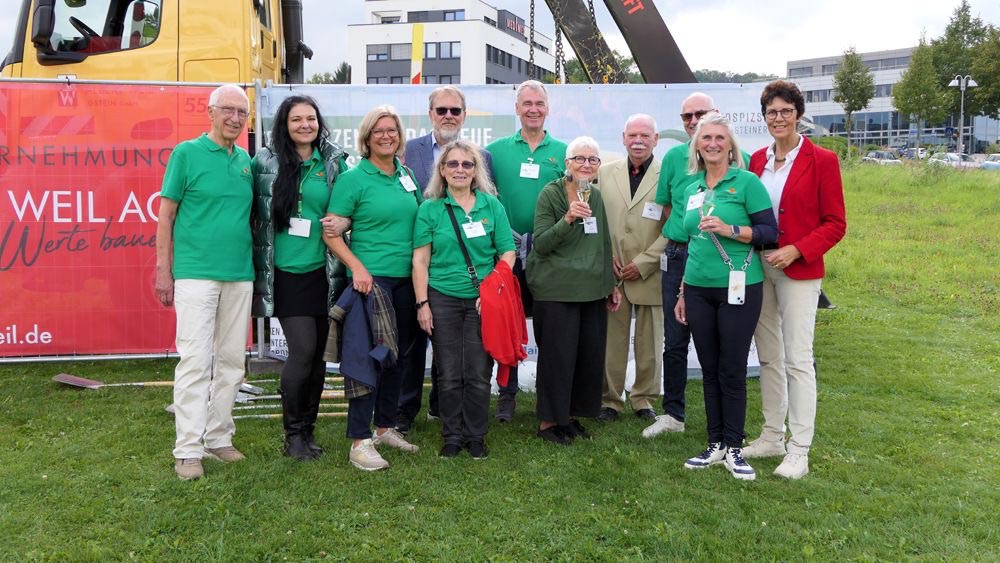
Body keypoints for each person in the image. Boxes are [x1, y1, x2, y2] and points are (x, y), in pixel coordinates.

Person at [742, 80, 847, 480]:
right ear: (764, 116)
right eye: (772, 111)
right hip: (759, 269)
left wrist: (797, 249)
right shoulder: (755, 161)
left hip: (799, 271)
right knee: (768, 355)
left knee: (798, 359)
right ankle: (772, 436)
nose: (779, 118)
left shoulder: (822, 161)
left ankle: (800, 448)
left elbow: (836, 224)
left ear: (798, 114)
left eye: (786, 111)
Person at [155, 84, 254, 481]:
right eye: (228, 110)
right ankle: (188, 449)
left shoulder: (246, 161)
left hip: (239, 274)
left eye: (241, 113)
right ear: (211, 112)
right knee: (195, 362)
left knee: (232, 362)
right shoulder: (186, 153)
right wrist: (165, 270)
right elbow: (166, 216)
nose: (235, 118)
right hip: (195, 274)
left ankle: (218, 437)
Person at [673, 113, 777, 481]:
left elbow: (770, 233)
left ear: (730, 145)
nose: (712, 144)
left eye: (719, 138)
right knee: (709, 368)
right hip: (698, 288)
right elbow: (691, 243)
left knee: (732, 369)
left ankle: (735, 446)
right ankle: (714, 443)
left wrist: (731, 229)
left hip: (739, 286)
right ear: (697, 147)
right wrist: (684, 290)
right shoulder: (691, 188)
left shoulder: (746, 182)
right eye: (706, 139)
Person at [322, 105, 421, 471]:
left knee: (397, 358)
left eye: (391, 130)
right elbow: (331, 233)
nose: (386, 136)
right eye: (378, 130)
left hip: (406, 281)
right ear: (366, 137)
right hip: (370, 282)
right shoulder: (353, 178)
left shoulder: (406, 175)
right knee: (367, 362)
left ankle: (384, 427)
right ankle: (359, 441)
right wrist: (358, 268)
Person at [251, 95, 348, 461]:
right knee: (303, 351)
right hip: (286, 273)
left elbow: (347, 208)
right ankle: (292, 434)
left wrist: (346, 221)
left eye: (311, 118)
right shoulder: (266, 161)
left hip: (325, 273)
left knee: (320, 357)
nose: (305, 125)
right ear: (284, 124)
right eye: (296, 120)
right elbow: (252, 213)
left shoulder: (335, 162)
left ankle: (308, 430)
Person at [397, 86, 494, 433]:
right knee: (416, 346)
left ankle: (445, 411)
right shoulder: (408, 152)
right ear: (431, 114)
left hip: (465, 274)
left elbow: (488, 209)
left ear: (464, 115)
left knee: (456, 355)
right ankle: (405, 413)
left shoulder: (479, 156)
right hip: (421, 262)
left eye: (455, 110)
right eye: (442, 110)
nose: (449, 116)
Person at [412, 139, 516, 458]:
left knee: (477, 372)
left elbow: (508, 252)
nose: (460, 170)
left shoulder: (491, 206)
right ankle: (452, 435)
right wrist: (422, 304)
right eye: (453, 164)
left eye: (466, 165)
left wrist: (493, 289)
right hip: (441, 298)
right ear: (442, 170)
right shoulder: (430, 208)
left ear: (476, 171)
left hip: (480, 302)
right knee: (448, 372)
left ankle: (475, 435)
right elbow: (420, 261)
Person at [527, 136, 620, 445]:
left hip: (592, 289)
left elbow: (603, 243)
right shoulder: (550, 194)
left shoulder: (595, 195)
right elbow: (541, 243)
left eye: (593, 160)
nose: (586, 165)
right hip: (556, 290)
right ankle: (548, 422)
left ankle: (571, 417)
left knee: (586, 357)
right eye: (579, 159)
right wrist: (568, 218)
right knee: (558, 358)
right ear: (566, 163)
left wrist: (611, 284)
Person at [486, 80, 567, 421]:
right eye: (527, 103)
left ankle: (547, 398)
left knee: (550, 327)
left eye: (539, 103)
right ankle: (507, 395)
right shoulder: (494, 151)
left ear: (547, 108)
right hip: (506, 251)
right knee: (508, 324)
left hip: (549, 252)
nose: (533, 108)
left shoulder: (563, 151)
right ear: (516, 108)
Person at [642, 93, 717, 438]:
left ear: (715, 115)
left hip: (718, 256)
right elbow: (666, 207)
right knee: (674, 339)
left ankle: (721, 416)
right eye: (686, 115)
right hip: (677, 254)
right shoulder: (672, 157)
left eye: (699, 113)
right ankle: (673, 414)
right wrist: (686, 234)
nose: (692, 120)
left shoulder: (737, 158)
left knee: (715, 340)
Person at [597, 114, 667, 422]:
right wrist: (606, 255)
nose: (638, 141)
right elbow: (595, 219)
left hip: (650, 268)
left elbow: (675, 224)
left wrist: (645, 262)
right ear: (623, 138)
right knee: (612, 339)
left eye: (645, 135)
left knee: (649, 342)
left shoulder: (669, 174)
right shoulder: (604, 172)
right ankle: (610, 400)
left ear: (656, 139)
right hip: (613, 270)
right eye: (632, 135)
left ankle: (643, 399)